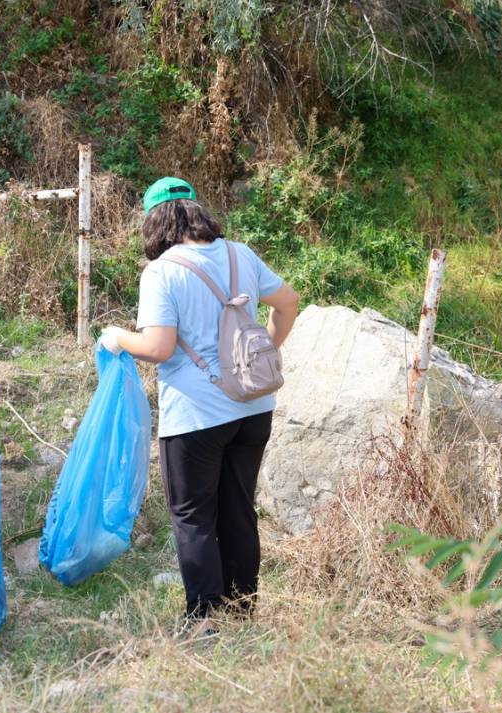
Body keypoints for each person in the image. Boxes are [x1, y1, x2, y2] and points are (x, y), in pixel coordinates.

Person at [99, 177, 300, 629]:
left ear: (155, 222)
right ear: (196, 211)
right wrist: (264, 348)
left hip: (195, 415)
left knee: (193, 516)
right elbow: (288, 303)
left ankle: (205, 617)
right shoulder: (239, 254)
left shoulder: (162, 271)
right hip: (253, 407)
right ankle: (243, 610)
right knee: (238, 509)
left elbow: (158, 347)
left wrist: (116, 338)